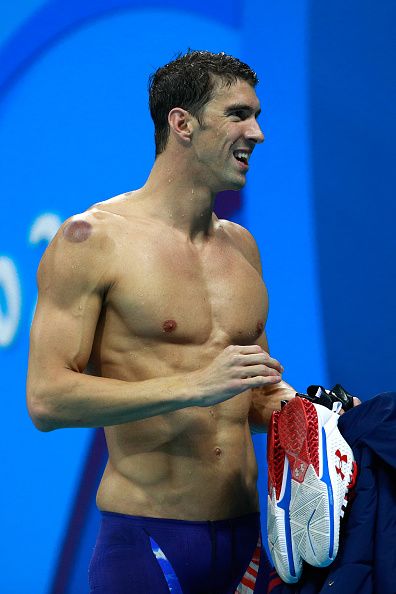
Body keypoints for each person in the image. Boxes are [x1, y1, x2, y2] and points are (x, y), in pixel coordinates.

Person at [27, 50, 298, 594]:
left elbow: (254, 394)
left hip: (248, 544)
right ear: (182, 124)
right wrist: (194, 387)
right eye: (239, 114)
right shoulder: (92, 240)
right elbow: (48, 401)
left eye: (257, 116)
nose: (258, 134)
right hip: (150, 546)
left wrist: (323, 419)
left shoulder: (242, 247)